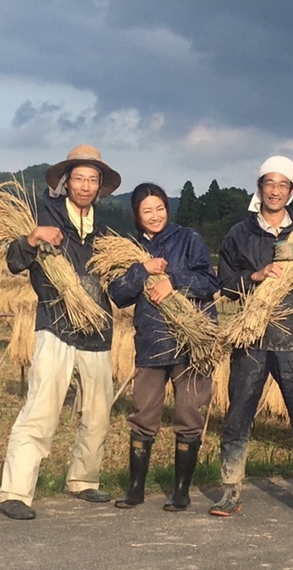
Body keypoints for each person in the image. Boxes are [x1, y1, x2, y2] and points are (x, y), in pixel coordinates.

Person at [0, 145, 121, 520]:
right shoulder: (46, 220)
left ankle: (84, 481)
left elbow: (117, 286)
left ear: (100, 188)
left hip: (98, 331)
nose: (85, 186)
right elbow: (14, 262)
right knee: (42, 408)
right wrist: (32, 239)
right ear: (66, 183)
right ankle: (15, 492)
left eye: (92, 180)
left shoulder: (104, 235)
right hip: (55, 325)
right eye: (79, 178)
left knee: (98, 412)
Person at [209, 156, 293, 521]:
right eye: (269, 183)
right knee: (238, 416)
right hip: (253, 339)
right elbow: (226, 285)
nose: (275, 191)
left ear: (292, 190)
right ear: (259, 187)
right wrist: (256, 276)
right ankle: (230, 492)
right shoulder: (240, 234)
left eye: (283, 185)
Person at [108, 182, 219, 512]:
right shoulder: (128, 249)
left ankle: (181, 491)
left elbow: (211, 282)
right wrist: (143, 270)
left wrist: (174, 280)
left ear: (167, 210)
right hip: (152, 342)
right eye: (147, 211)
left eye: (159, 209)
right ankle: (135, 489)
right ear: (136, 215)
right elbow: (119, 294)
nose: (154, 216)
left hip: (191, 343)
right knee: (143, 412)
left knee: (188, 413)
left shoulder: (189, 238)